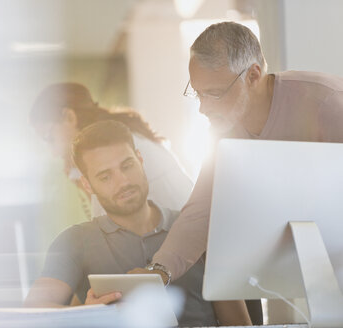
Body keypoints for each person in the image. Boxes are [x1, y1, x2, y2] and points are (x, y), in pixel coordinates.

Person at [128, 21, 343, 324]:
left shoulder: (327, 102)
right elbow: (201, 210)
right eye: (198, 93)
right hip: (303, 271)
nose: (202, 107)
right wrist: (158, 272)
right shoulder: (222, 131)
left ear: (253, 75)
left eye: (214, 93)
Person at [24, 120, 252, 326]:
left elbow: (239, 323)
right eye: (105, 176)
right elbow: (31, 314)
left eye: (127, 166)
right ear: (87, 185)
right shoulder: (74, 241)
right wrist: (86, 314)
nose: (123, 182)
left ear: (140, 160)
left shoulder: (194, 228)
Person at [30, 83, 193, 221]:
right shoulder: (118, 138)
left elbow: (115, 231)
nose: (54, 153)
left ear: (69, 117)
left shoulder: (112, 150)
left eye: (50, 138)